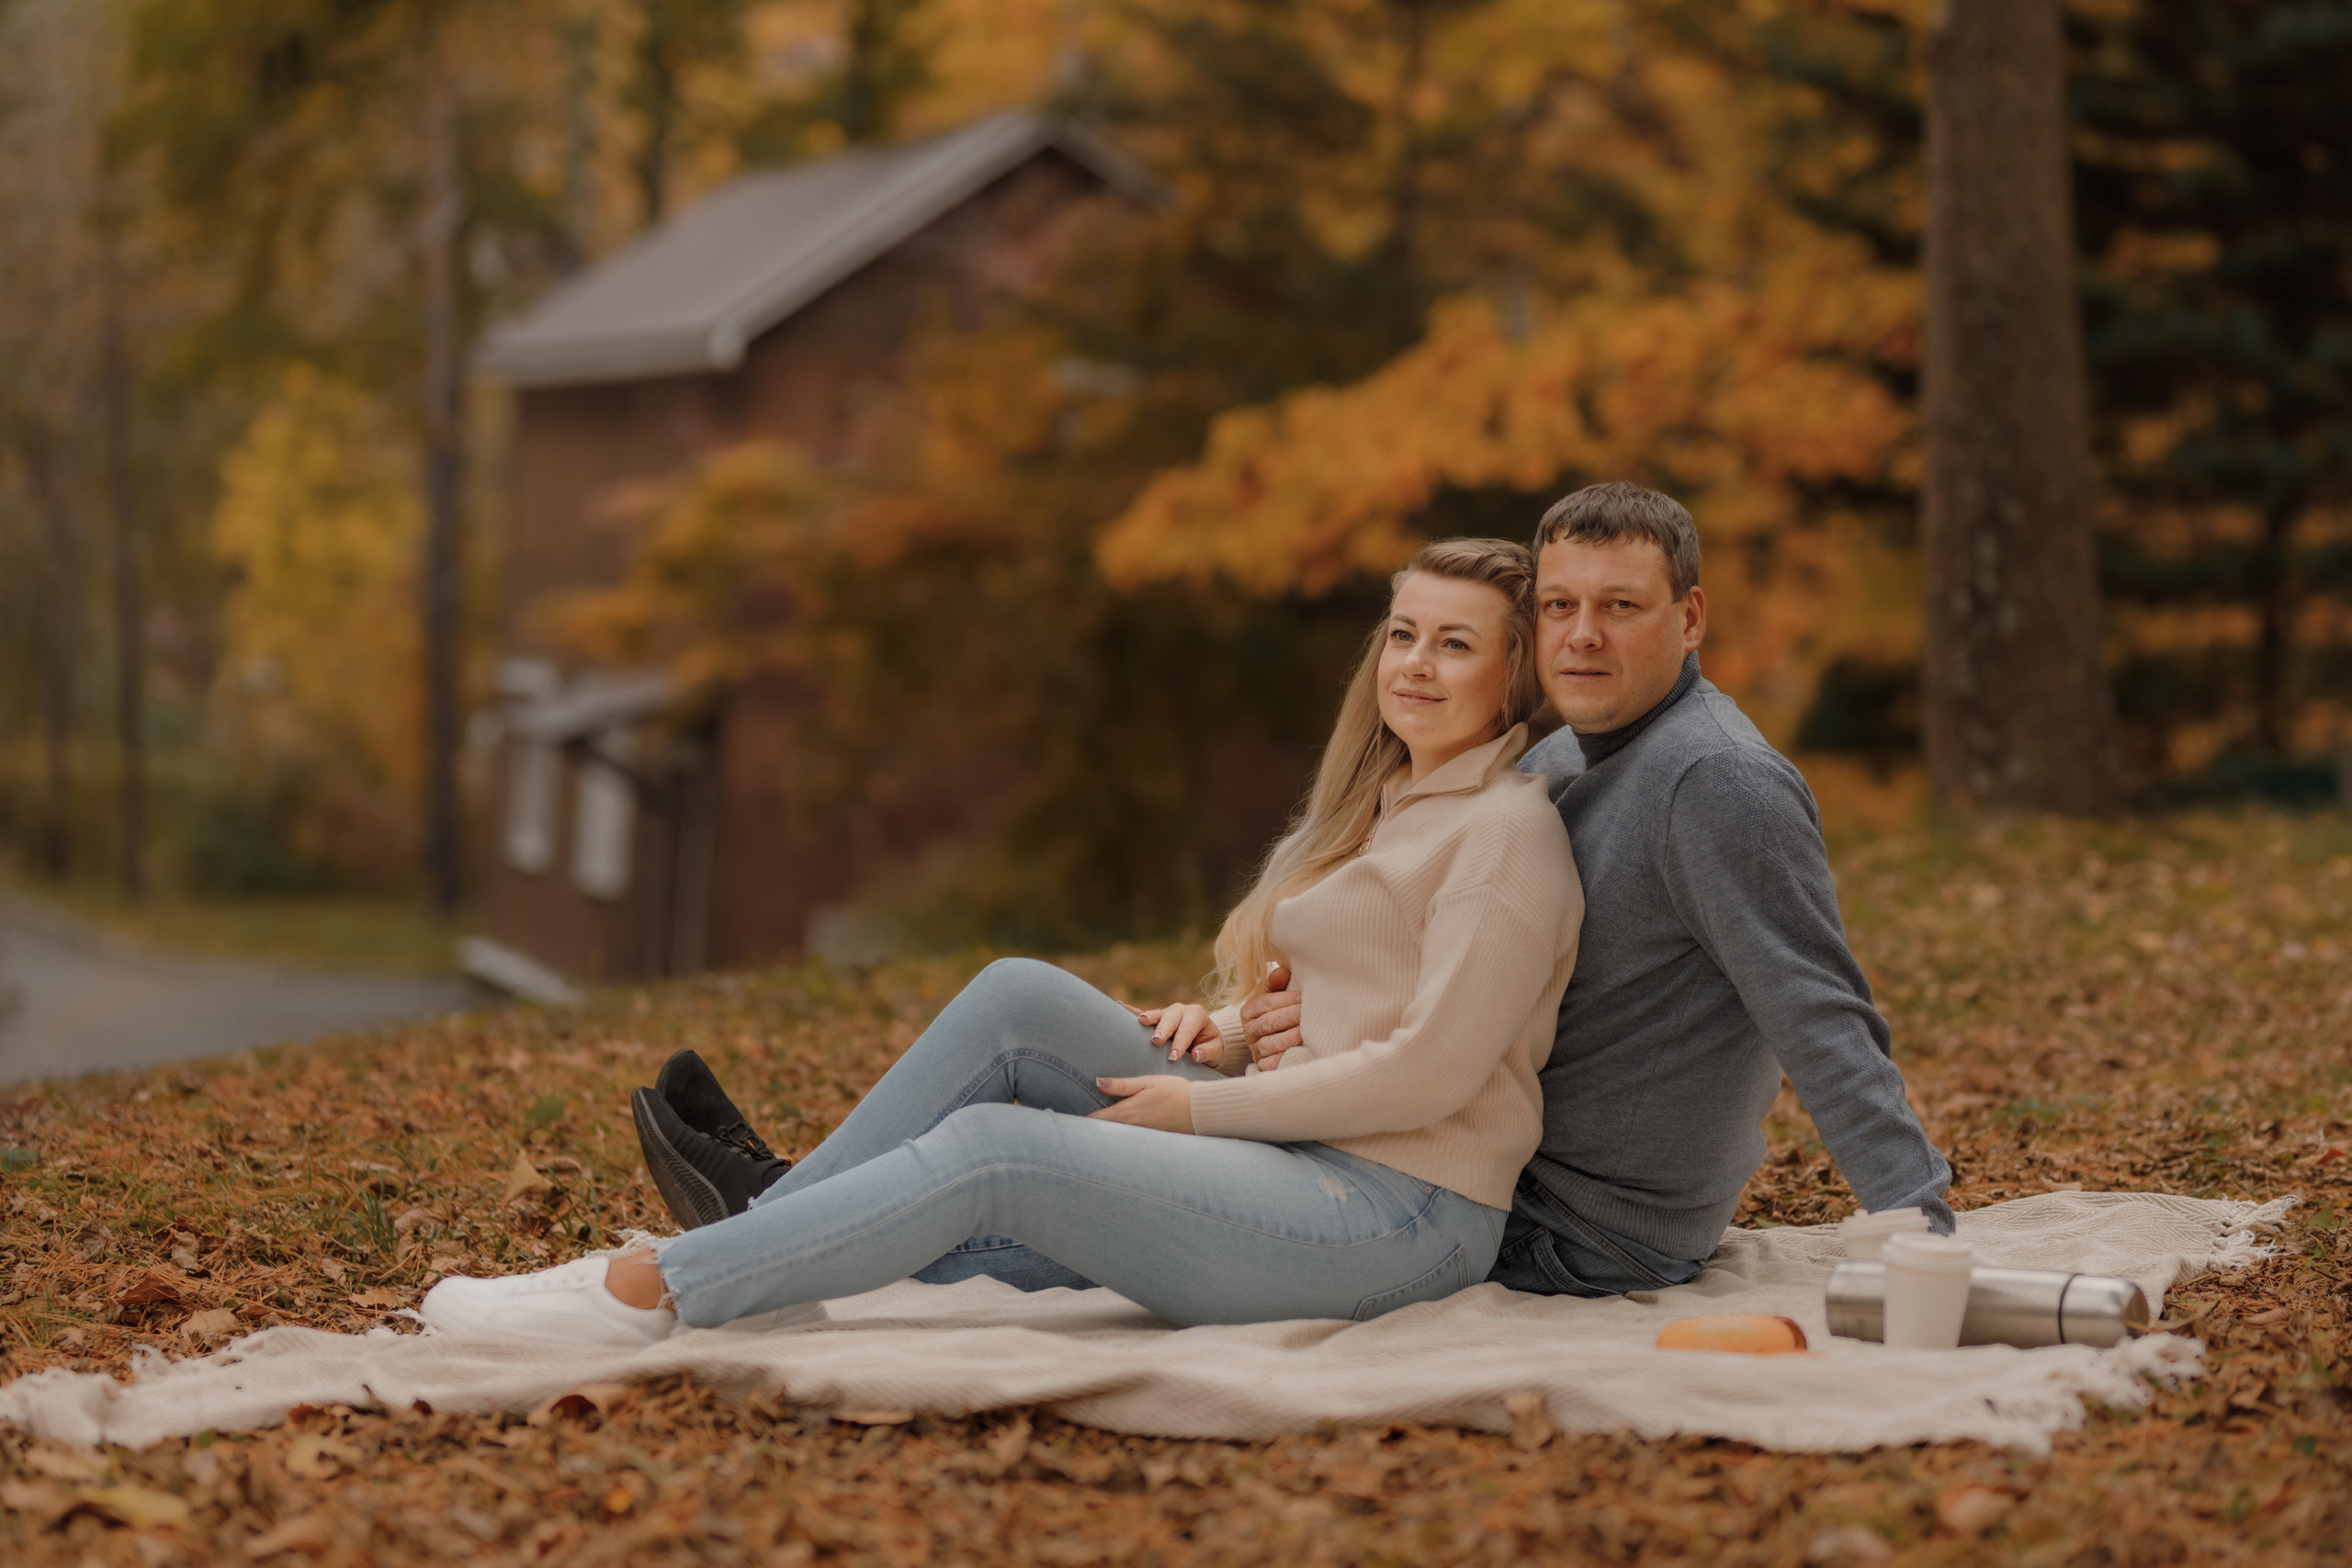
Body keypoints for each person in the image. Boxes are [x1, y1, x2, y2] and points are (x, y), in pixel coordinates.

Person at [639, 481, 1955, 1303]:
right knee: (1017, 1002)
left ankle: (757, 1235)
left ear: (1693, 617)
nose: (1583, 635)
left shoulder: (1710, 782)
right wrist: (1244, 1025)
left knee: (1005, 1190)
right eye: (1562, 606)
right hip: (1397, 1137)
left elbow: (1817, 1007)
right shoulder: (1562, 758)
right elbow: (1432, 966)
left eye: (1620, 607)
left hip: (1557, 1218)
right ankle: (783, 1210)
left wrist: (1918, 1221)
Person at [423, 538, 1584, 1345]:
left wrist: (1197, 1110)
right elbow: (1360, 991)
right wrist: (1228, 1032)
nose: (1413, 665)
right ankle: (762, 1242)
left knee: (996, 1158)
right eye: (1402, 634)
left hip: (1396, 1215)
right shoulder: (1399, 800)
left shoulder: (1502, 835)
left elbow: (1432, 1071)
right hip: (1301, 1141)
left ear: (1512, 674)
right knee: (1018, 995)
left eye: (1454, 645)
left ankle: (655, 1289)